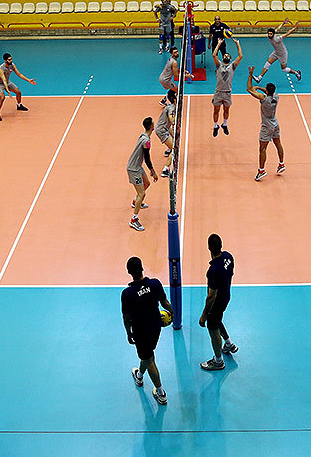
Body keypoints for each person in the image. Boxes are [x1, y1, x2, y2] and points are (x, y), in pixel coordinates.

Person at [122, 256, 173, 406]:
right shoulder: (155, 284)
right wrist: (172, 312)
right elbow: (164, 303)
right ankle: (139, 375)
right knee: (148, 355)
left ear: (129, 272)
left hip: (141, 331)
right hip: (156, 328)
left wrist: (128, 332)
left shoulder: (127, 294)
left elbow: (126, 317)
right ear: (142, 268)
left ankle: (161, 393)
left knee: (149, 359)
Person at [200, 233, 237, 370]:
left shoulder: (213, 270)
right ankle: (228, 343)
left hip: (217, 303)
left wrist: (204, 315)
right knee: (217, 319)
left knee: (213, 329)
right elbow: (231, 274)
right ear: (221, 245)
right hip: (226, 296)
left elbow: (211, 297)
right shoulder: (228, 257)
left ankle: (218, 361)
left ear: (209, 248)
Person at [246, 66, 284, 180]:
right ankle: (281, 164)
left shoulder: (263, 99)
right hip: (275, 124)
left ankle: (261, 171)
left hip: (266, 126)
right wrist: (261, 88)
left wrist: (250, 75)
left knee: (262, 148)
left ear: (266, 91)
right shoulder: (276, 97)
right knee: (278, 144)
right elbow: (270, 92)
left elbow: (249, 89)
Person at [128, 117, 159, 231]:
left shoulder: (143, 135)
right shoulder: (146, 141)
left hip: (137, 166)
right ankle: (134, 220)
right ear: (151, 126)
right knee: (142, 194)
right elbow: (147, 158)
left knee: (147, 184)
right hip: (134, 169)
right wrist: (153, 171)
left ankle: (136, 202)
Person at [211, 35, 242, 137]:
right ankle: (215, 126)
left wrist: (237, 44)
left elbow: (240, 56)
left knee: (226, 110)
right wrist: (219, 44)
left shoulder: (232, 66)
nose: (226, 56)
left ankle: (224, 124)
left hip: (227, 92)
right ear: (223, 57)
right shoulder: (219, 65)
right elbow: (214, 55)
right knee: (216, 110)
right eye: (225, 55)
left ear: (230, 59)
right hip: (218, 92)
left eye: (228, 55)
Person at [0, 53, 36, 121]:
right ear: (5, 60)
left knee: (18, 92)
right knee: (2, 97)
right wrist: (7, 90)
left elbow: (19, 74)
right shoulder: (1, 69)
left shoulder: (12, 65)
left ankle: (19, 105)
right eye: (9, 60)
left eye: (11, 59)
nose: (11, 60)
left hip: (7, 82)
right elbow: (3, 80)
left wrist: (28, 80)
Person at [155, 90, 177, 178]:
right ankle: (165, 170)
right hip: (162, 130)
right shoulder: (171, 108)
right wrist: (175, 120)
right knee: (175, 149)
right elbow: (171, 120)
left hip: (164, 128)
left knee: (174, 137)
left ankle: (168, 150)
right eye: (177, 96)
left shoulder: (171, 106)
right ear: (174, 99)